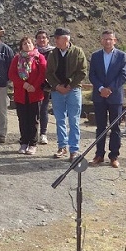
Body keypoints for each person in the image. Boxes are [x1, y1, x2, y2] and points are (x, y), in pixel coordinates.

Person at [89, 30, 126, 168]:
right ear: (101, 40)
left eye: (110, 39)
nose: (107, 41)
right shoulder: (95, 56)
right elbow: (92, 75)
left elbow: (123, 76)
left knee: (115, 127)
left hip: (115, 97)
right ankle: (99, 155)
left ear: (115, 41)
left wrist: (109, 89)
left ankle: (114, 156)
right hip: (99, 97)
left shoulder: (122, 56)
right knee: (100, 127)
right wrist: (101, 89)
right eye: (105, 39)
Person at [46, 28, 87, 160]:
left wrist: (70, 85)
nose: (55, 41)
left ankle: (74, 150)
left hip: (73, 90)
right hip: (57, 91)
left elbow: (82, 72)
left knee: (74, 120)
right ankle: (62, 147)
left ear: (65, 39)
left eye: (57, 38)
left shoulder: (78, 52)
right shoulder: (53, 54)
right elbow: (49, 73)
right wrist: (57, 86)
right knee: (59, 120)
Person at [8, 36, 47, 154]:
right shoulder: (17, 58)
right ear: (21, 46)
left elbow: (43, 73)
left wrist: (33, 86)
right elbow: (12, 74)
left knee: (34, 119)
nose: (27, 45)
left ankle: (33, 143)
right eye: (24, 44)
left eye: (29, 43)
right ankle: (24, 142)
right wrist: (23, 84)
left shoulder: (39, 57)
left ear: (33, 44)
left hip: (35, 93)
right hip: (21, 93)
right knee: (23, 119)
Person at [35, 30, 54, 145]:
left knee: (43, 109)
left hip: (47, 85)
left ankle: (43, 134)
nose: (41, 40)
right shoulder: (32, 52)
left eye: (44, 37)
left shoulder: (53, 52)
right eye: (39, 38)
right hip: (34, 84)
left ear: (48, 39)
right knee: (33, 110)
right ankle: (32, 133)